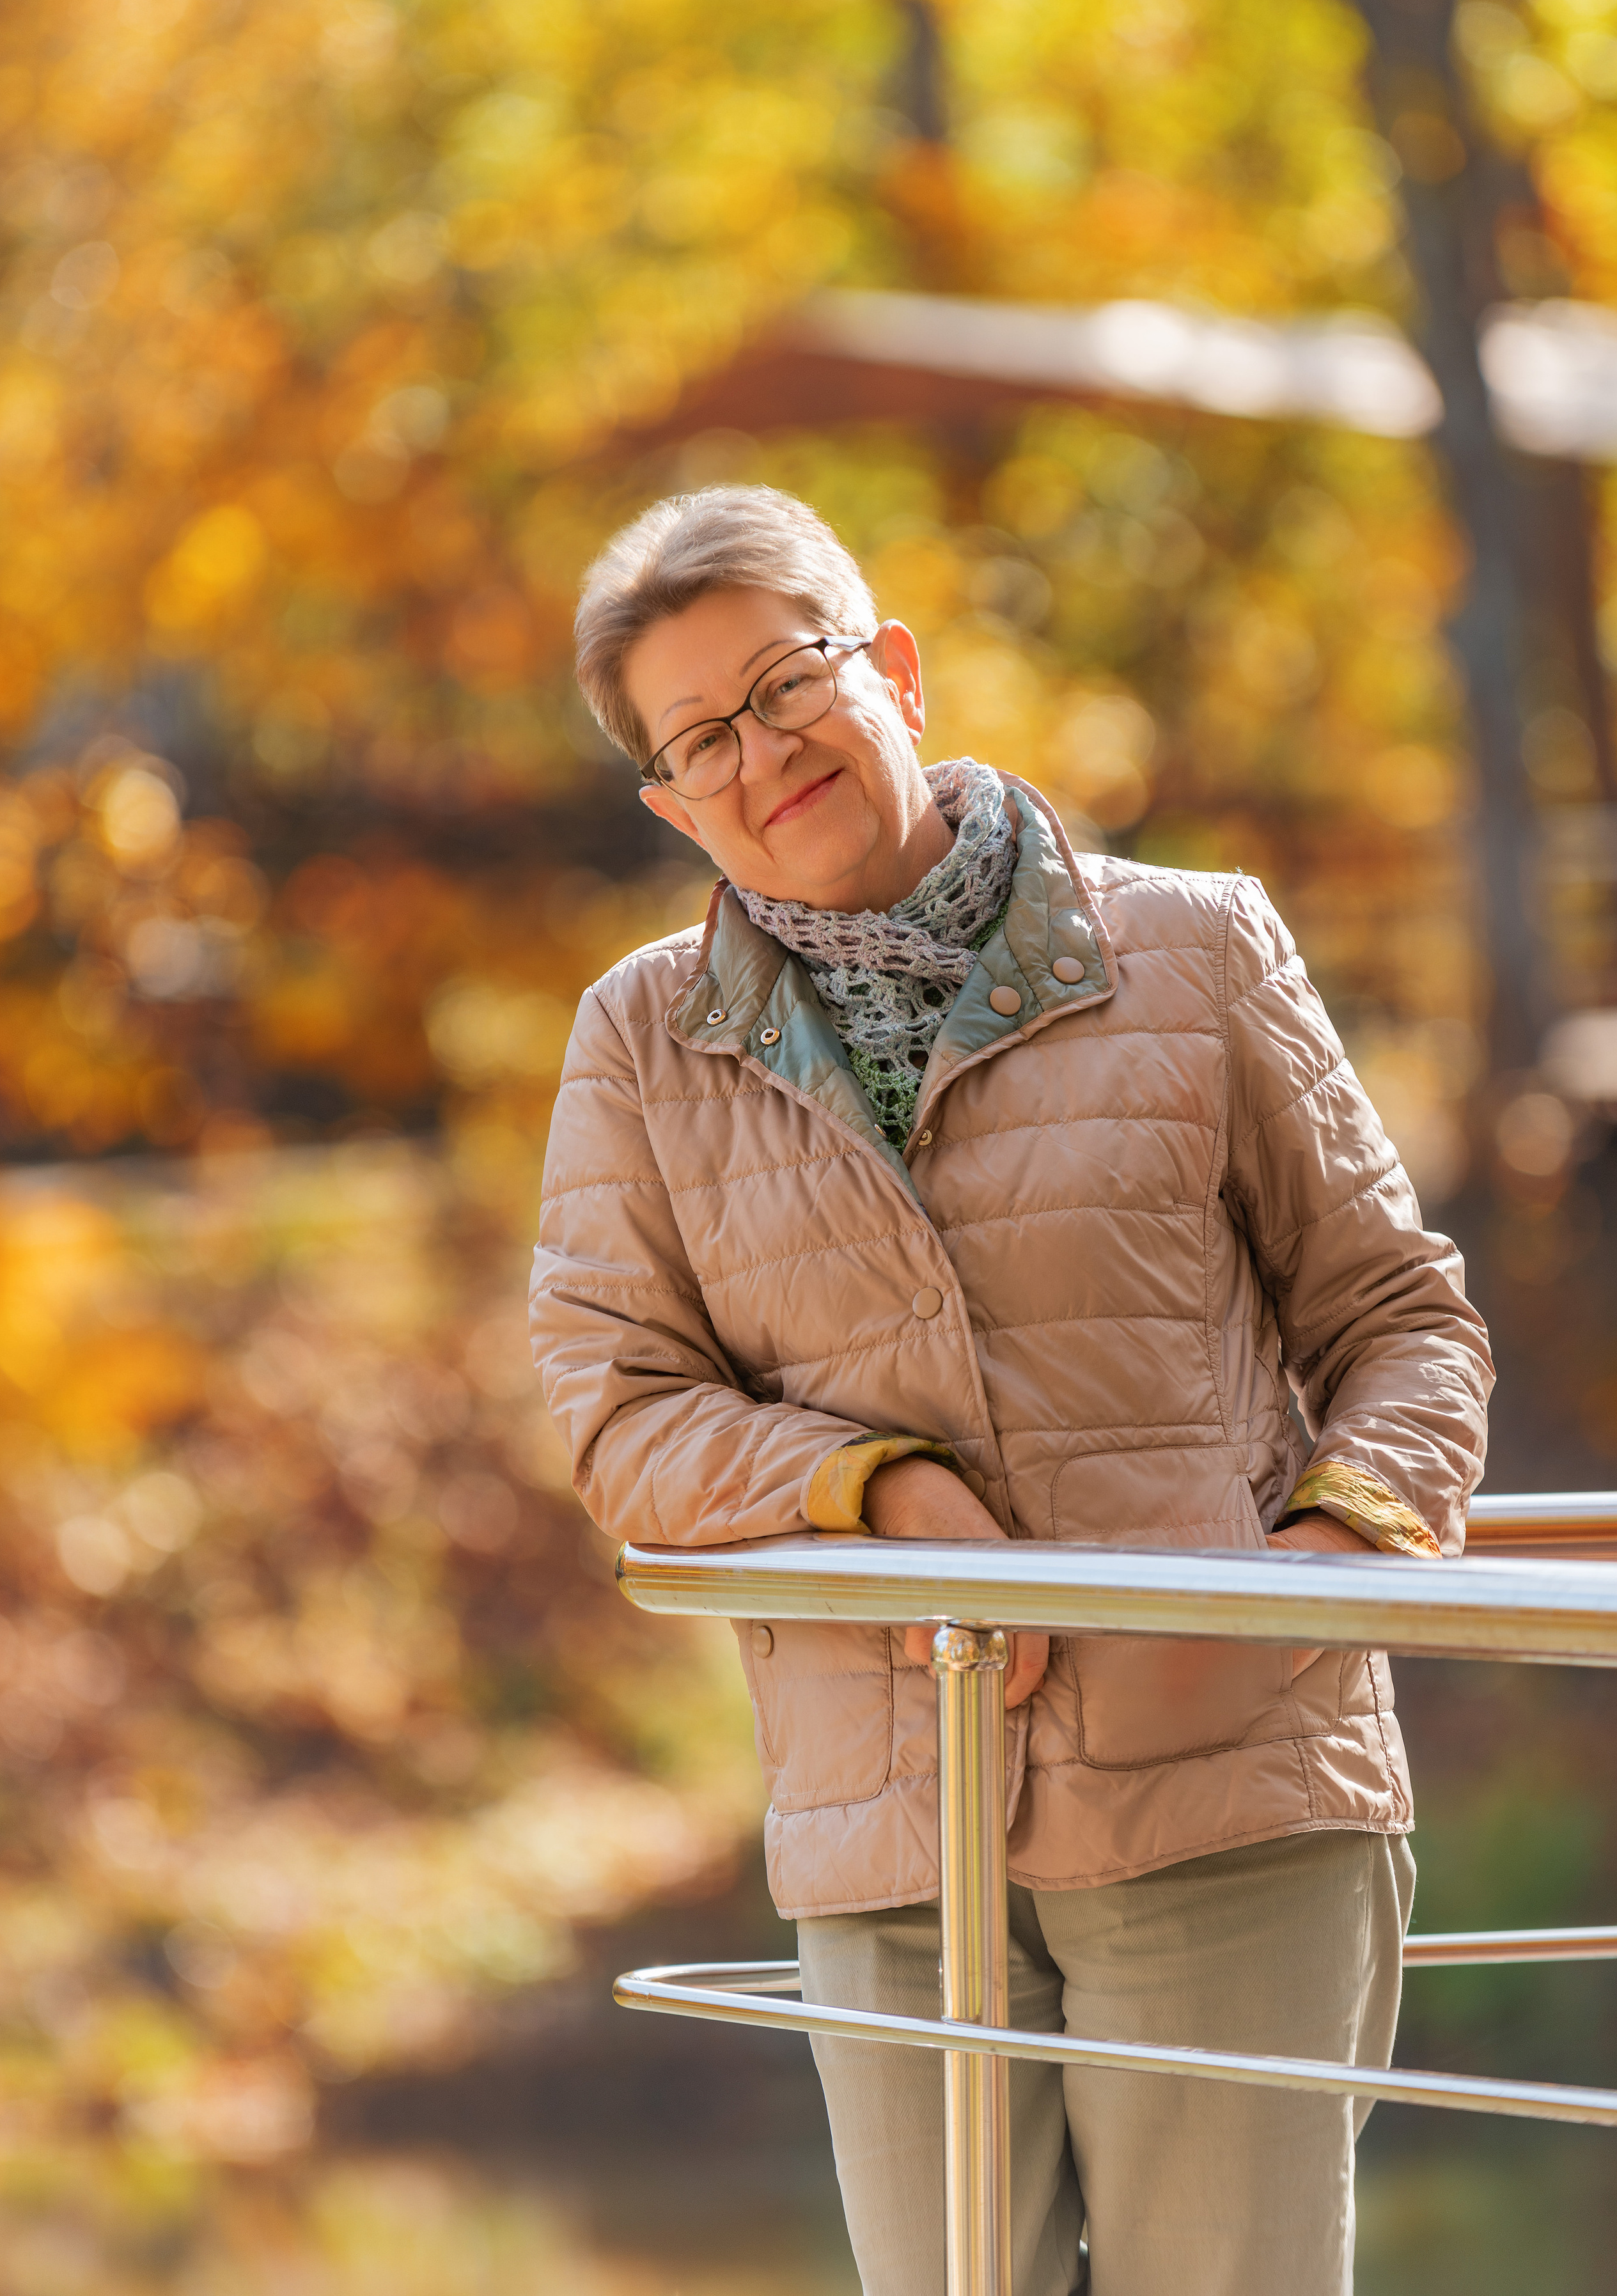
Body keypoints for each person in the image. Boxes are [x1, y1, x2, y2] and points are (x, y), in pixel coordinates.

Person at [529, 483, 1492, 2296]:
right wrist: (879, 1489)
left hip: (1229, 1795)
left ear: (892, 668)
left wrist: (1319, 1573)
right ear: (670, 802)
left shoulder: (1196, 945)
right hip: (887, 1835)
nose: (763, 752)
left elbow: (1403, 1323)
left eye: (787, 682)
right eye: (702, 735)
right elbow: (620, 1413)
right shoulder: (640, 1044)